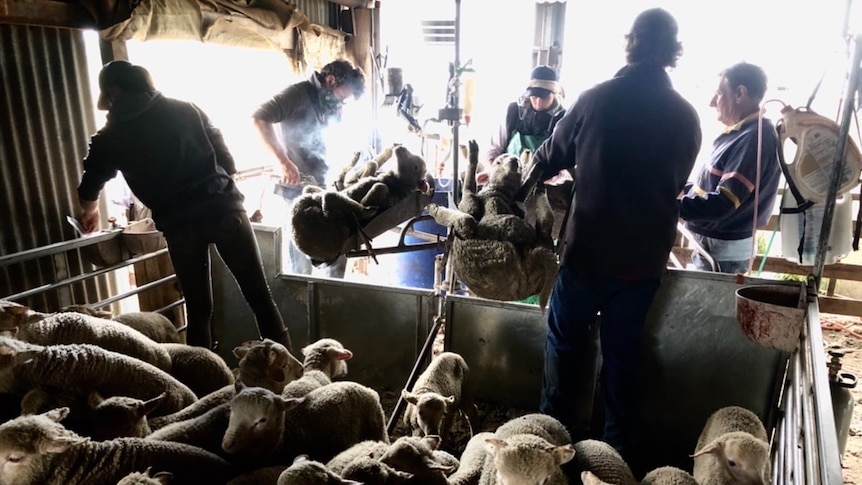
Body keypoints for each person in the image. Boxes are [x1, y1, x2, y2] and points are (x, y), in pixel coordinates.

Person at [517, 8, 702, 469]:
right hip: (642, 263)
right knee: (621, 355)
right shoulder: (686, 116)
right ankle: (615, 457)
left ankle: (551, 443)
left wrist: (513, 184)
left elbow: (551, 154)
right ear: (673, 53)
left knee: (564, 343)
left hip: (588, 255)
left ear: (630, 44)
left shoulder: (596, 99)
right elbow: (678, 184)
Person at [76, 60, 291, 352]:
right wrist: (217, 191)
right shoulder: (186, 109)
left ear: (111, 93)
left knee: (199, 310)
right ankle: (293, 376)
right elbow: (226, 161)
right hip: (224, 209)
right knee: (259, 296)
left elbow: (88, 189)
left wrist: (91, 211)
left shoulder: (109, 137)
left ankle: (205, 386)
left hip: (181, 226)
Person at [252, 59, 366, 277]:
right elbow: (259, 117)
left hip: (322, 188)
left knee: (335, 250)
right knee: (300, 260)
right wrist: (283, 162)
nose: (340, 104)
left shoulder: (329, 104)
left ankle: (330, 303)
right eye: (341, 97)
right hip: (296, 191)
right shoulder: (298, 94)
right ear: (330, 81)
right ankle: (301, 305)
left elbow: (331, 142)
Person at [679, 62, 780, 274]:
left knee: (711, 307)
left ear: (740, 93)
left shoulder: (755, 138)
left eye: (719, 94)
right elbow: (708, 189)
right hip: (712, 248)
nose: (711, 102)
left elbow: (723, 202)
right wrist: (676, 188)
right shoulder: (742, 133)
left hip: (723, 254)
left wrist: (667, 207)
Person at [483, 65, 566, 172]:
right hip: (507, 176)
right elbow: (494, 149)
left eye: (544, 97)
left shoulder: (562, 119)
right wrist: (494, 171)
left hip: (545, 182)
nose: (538, 102)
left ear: (555, 94)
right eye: (534, 96)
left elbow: (564, 161)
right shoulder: (513, 112)